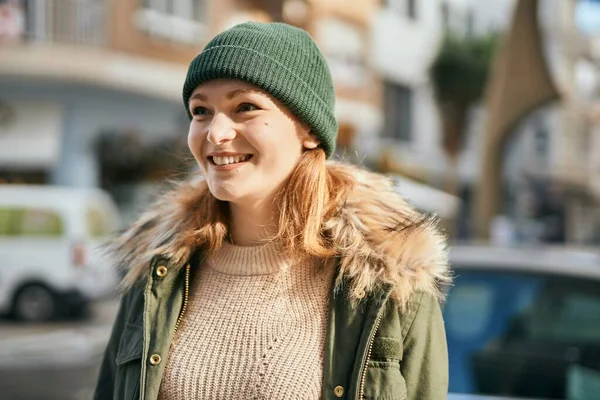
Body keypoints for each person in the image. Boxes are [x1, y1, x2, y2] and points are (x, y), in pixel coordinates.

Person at [94, 22, 451, 400]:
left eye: (245, 107)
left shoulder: (387, 282)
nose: (216, 133)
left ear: (309, 130)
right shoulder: (157, 272)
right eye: (201, 110)